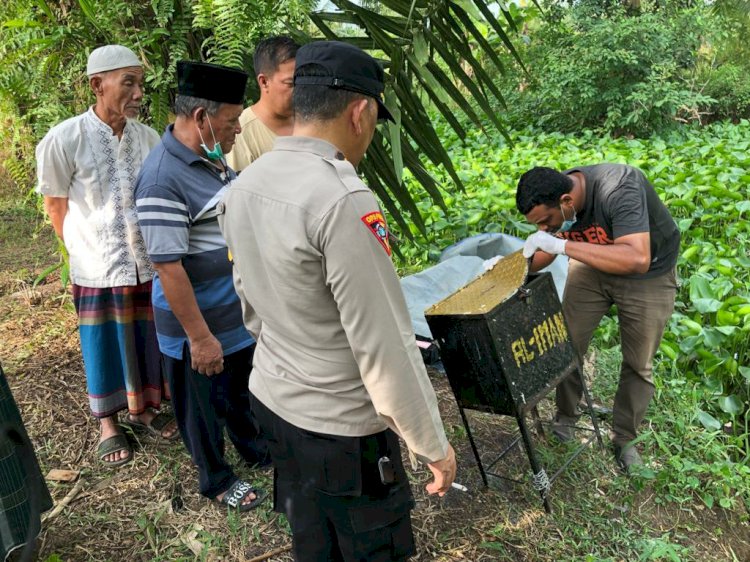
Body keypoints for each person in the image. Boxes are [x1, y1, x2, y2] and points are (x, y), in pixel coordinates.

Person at [219, 41, 457, 561]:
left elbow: (249, 305)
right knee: (370, 547)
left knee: (313, 538)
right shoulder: (342, 199)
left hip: (276, 403)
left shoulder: (244, 183)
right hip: (341, 431)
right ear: (360, 111)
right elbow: (384, 344)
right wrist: (431, 444)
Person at [133, 61, 268, 512]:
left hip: (231, 315)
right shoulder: (160, 179)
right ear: (201, 118)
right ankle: (215, 478)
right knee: (202, 410)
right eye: (231, 123)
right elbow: (168, 267)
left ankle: (255, 449)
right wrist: (200, 338)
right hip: (197, 327)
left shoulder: (210, 158)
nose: (237, 132)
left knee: (239, 395)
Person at [35, 45, 177, 469]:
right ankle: (109, 423)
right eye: (127, 82)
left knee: (145, 338)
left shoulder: (148, 137)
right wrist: (81, 250)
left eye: (139, 82)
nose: (137, 93)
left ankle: (145, 408)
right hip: (97, 264)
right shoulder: (65, 139)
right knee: (102, 344)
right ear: (98, 85)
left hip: (144, 261)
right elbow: (55, 205)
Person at [516, 165, 679, 472]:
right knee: (568, 344)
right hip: (593, 265)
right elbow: (545, 249)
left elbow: (637, 258)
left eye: (545, 222)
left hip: (649, 274)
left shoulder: (618, 189)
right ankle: (565, 418)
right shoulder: (553, 197)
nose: (544, 229)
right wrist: (511, 267)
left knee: (638, 361)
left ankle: (624, 438)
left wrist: (563, 246)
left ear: (567, 201)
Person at [226, 36, 299, 172]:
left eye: (302, 82)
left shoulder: (311, 121)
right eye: (290, 84)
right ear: (264, 82)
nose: (299, 90)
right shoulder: (240, 132)